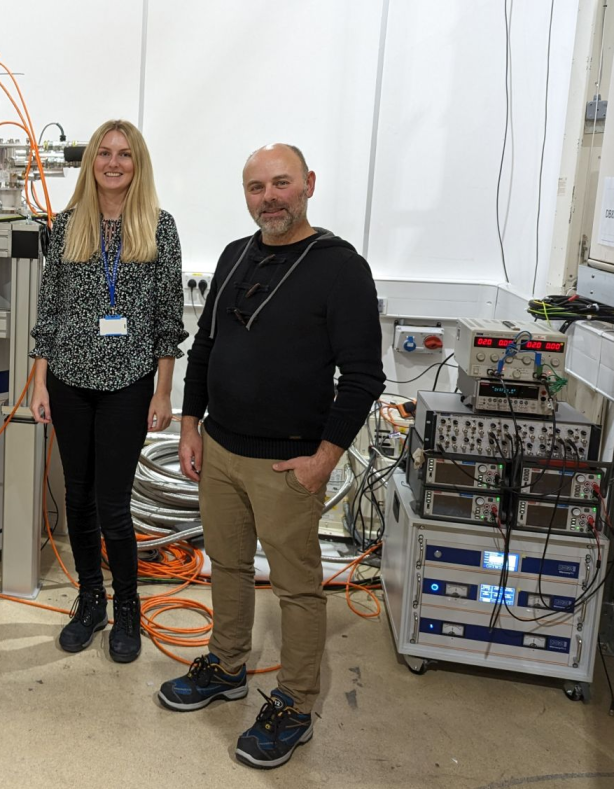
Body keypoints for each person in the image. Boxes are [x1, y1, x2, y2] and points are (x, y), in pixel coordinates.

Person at [156, 144, 384, 769]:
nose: (269, 198)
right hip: (221, 450)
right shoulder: (236, 254)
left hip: (288, 463)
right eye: (256, 188)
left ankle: (296, 703)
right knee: (227, 566)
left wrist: (324, 459)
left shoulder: (341, 267)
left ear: (308, 184)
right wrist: (190, 426)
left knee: (297, 590)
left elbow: (363, 377)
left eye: (281, 184)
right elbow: (205, 348)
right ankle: (227, 666)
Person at [28, 119, 187, 663]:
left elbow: (167, 319)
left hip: (128, 384)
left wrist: (163, 392)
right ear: (91, 162)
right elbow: (49, 311)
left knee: (113, 505)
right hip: (70, 381)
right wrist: (39, 382)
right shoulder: (68, 226)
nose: (113, 163)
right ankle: (90, 600)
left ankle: (127, 606)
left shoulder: (158, 228)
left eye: (124, 154)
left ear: (137, 164)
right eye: (104, 153)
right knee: (78, 496)